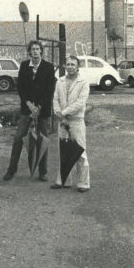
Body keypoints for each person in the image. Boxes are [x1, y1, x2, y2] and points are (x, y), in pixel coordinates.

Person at [3, 40, 56, 182]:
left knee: (42, 139)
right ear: (29, 52)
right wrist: (29, 104)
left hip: (42, 111)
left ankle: (43, 172)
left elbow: (50, 90)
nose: (35, 51)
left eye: (38, 49)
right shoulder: (24, 66)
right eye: (33, 49)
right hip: (27, 110)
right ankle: (11, 170)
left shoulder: (49, 67)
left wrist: (38, 107)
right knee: (18, 138)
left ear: (41, 51)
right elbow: (20, 87)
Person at [51, 54, 90, 192]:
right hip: (62, 121)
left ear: (78, 66)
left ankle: (83, 183)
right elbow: (55, 99)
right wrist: (58, 113)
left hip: (76, 121)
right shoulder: (60, 81)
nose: (70, 67)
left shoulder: (83, 82)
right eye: (68, 64)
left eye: (73, 64)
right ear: (64, 66)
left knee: (80, 152)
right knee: (63, 150)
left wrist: (64, 112)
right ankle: (63, 180)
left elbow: (81, 102)